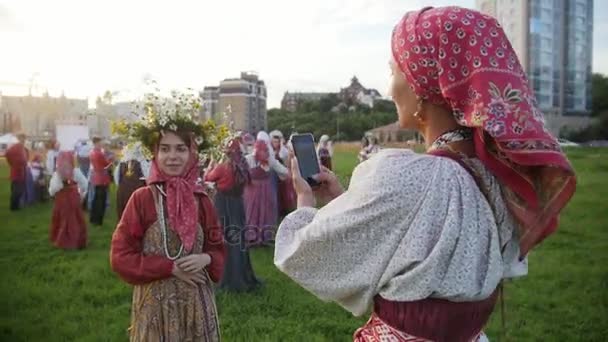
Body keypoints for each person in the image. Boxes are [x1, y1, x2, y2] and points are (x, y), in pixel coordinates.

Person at [274, 6, 576, 341]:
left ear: (421, 85)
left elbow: (304, 254)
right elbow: (417, 236)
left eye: (394, 72)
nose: (390, 89)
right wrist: (345, 201)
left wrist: (305, 200)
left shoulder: (402, 176)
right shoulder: (500, 180)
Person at [110, 97, 226, 340]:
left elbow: (217, 246)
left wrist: (206, 257)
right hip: (155, 304)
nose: (172, 156)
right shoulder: (142, 199)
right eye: (165, 148)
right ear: (154, 153)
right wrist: (170, 267)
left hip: (196, 302)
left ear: (193, 153)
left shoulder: (202, 199)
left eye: (180, 149)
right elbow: (121, 256)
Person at [204, 138, 261, 292]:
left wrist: (211, 165)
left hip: (223, 203)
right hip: (238, 203)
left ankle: (228, 277)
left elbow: (207, 178)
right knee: (238, 239)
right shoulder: (243, 164)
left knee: (224, 239)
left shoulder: (223, 166)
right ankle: (241, 273)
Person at [49, 151, 88, 249]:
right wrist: (82, 194)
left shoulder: (57, 174)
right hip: (73, 198)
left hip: (62, 200)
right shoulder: (76, 171)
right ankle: (76, 240)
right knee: (75, 219)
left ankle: (64, 240)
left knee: (63, 219)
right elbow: (85, 184)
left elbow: (53, 190)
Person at [114, 142, 150, 220]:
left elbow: (116, 178)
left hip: (123, 191)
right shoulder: (142, 162)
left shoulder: (122, 162)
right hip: (138, 191)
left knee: (125, 212)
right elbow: (148, 176)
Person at [89, 136, 112, 225]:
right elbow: (106, 164)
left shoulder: (92, 152)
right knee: (101, 200)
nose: (101, 144)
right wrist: (111, 160)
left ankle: (93, 218)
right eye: (100, 143)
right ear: (96, 143)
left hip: (96, 177)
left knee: (96, 198)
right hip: (102, 177)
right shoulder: (99, 153)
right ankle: (98, 220)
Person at [5, 133, 28, 211]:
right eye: (22, 138)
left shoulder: (23, 148)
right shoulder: (15, 147)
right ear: (19, 139)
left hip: (22, 171)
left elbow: (25, 158)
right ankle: (13, 207)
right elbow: (7, 154)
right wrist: (12, 163)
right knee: (17, 190)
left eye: (24, 138)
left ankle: (16, 205)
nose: (23, 140)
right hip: (16, 171)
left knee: (19, 190)